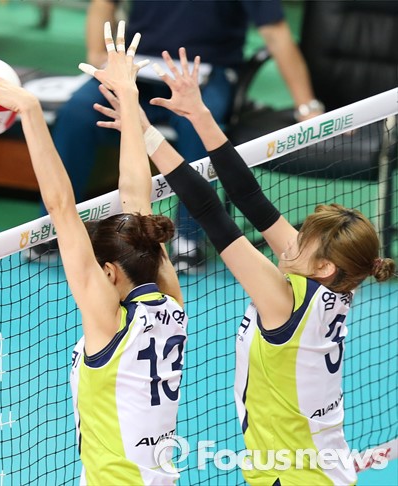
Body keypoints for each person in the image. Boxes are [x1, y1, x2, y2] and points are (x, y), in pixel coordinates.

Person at [94, 47, 395, 484]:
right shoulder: (334, 282)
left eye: (302, 239)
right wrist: (199, 114)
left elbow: (209, 211)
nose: (290, 238)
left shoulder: (284, 302)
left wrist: (146, 132)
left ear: (324, 267)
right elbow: (250, 196)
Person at [0, 22, 188, 484]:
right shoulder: (171, 304)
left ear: (109, 272)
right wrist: (128, 97)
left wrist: (29, 109)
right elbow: (135, 197)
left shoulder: (108, 321)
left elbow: (64, 205)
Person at [33, 0, 322, 274]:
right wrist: (96, 53)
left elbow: (275, 33)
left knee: (196, 125)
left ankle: (188, 237)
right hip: (137, 68)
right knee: (76, 114)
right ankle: (55, 226)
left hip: (204, 73)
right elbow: (104, 3)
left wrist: (306, 106)